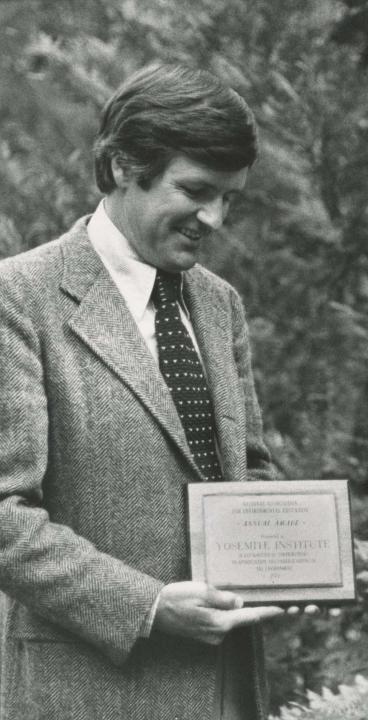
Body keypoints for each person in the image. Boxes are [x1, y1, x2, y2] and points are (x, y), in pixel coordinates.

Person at [0, 64, 292, 720]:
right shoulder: (19, 296)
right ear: (125, 167)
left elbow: (249, 469)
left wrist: (293, 556)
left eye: (230, 198)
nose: (215, 218)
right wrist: (149, 608)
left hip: (226, 691)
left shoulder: (219, 305)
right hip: (87, 693)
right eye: (196, 190)